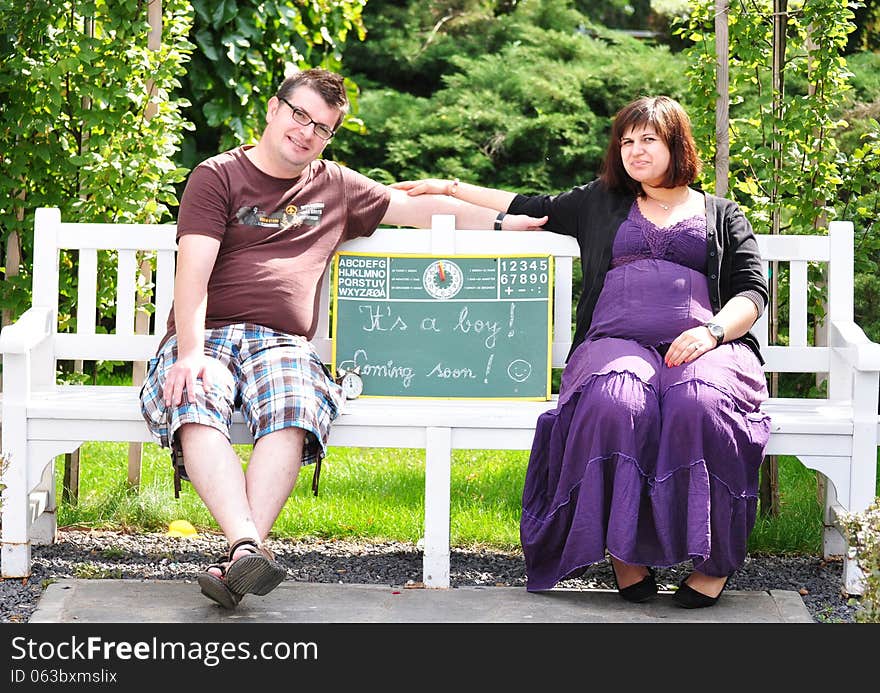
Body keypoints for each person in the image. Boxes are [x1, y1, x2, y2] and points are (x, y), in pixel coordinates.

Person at [139, 68, 546, 609]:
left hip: (281, 341)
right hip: (207, 333)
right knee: (195, 394)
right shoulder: (218, 176)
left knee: (294, 403)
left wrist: (502, 223)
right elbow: (192, 273)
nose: (307, 132)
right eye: (300, 115)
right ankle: (246, 546)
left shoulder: (334, 185)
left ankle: (241, 556)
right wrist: (188, 353)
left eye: (322, 127)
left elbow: (415, 210)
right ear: (273, 108)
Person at [392, 95, 771, 608]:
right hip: (616, 342)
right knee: (615, 402)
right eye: (627, 141)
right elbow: (524, 203)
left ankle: (712, 562)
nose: (634, 151)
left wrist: (713, 332)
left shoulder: (723, 214)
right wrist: (449, 187)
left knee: (698, 404)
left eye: (648, 140)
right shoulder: (601, 201)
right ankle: (625, 556)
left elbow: (752, 290)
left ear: (676, 144)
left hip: (705, 346)